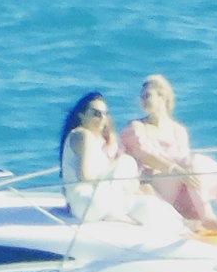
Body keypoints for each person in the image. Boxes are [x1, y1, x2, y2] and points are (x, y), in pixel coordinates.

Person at [119, 74, 217, 232]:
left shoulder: (179, 130)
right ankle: (208, 217)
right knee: (192, 163)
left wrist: (183, 175)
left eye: (148, 95)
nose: (143, 100)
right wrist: (177, 171)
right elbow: (146, 156)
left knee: (197, 163)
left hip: (180, 182)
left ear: (163, 97)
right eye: (142, 96)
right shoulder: (136, 127)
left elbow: (185, 163)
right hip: (155, 184)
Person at [59, 91, 183, 232]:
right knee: (126, 162)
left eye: (105, 114)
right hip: (88, 203)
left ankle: (182, 225)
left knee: (148, 203)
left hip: (89, 205)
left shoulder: (92, 139)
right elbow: (84, 177)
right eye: (96, 113)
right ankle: (182, 226)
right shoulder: (82, 135)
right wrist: (116, 176)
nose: (101, 118)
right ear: (81, 115)